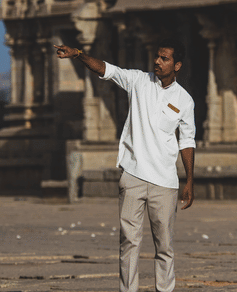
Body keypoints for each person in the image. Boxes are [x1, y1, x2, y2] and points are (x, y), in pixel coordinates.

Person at [55, 38, 195, 292]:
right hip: (133, 176)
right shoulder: (139, 81)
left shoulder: (185, 100)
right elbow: (106, 70)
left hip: (165, 182)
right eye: (157, 56)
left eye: (164, 58)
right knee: (129, 241)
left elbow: (187, 142)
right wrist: (78, 54)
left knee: (164, 245)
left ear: (177, 65)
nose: (157, 62)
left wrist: (190, 181)